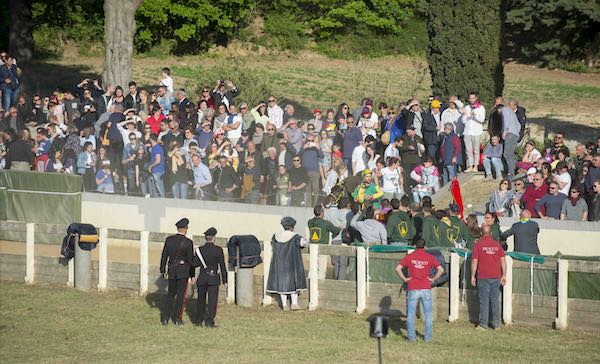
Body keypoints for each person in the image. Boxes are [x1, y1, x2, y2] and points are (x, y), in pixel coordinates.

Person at [396, 238, 444, 342]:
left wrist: (404, 279)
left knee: (411, 314)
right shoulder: (429, 257)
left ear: (414, 246)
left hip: (413, 287)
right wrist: (433, 279)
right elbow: (441, 269)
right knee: (428, 314)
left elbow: (398, 268)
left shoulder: (410, 256)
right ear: (425, 246)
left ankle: (411, 338)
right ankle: (428, 338)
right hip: (426, 288)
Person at [266, 217, 308, 311]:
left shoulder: (276, 236)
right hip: (291, 264)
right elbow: (304, 243)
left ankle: (284, 305)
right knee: (293, 284)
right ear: (292, 227)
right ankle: (294, 304)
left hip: (279, 264)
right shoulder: (295, 237)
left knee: (281, 285)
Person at [470, 225, 507, 331]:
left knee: (484, 300)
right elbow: (503, 260)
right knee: (495, 300)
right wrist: (504, 275)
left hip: (483, 276)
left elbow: (474, 261)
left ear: (481, 233)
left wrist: (473, 275)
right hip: (496, 276)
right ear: (491, 233)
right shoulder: (497, 245)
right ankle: (496, 324)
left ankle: (483, 324)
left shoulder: (478, 245)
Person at [159, 218, 195, 325]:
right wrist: (191, 274)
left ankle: (165, 317)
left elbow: (164, 256)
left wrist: (162, 269)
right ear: (185, 229)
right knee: (180, 296)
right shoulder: (188, 242)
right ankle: (177, 319)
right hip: (183, 271)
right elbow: (190, 260)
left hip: (172, 270)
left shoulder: (169, 240)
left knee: (170, 294)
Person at [191, 227, 226, 328]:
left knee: (201, 300)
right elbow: (222, 265)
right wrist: (225, 280)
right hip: (213, 279)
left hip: (202, 278)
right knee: (212, 301)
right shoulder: (218, 250)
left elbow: (194, 264)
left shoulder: (199, 250)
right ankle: (209, 321)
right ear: (214, 238)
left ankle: (198, 321)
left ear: (205, 238)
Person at [308, 205, 342, 278]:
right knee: (322, 268)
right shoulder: (326, 223)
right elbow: (336, 231)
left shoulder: (310, 222)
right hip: (322, 247)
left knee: (312, 267)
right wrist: (340, 228)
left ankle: (310, 283)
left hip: (312, 246)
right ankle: (320, 284)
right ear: (321, 213)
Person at [463, 92, 486, 172]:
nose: (471, 100)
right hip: (467, 131)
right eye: (470, 98)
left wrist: (475, 114)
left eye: (473, 98)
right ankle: (470, 165)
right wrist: (465, 115)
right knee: (468, 150)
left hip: (476, 132)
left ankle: (475, 166)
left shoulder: (481, 108)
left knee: (476, 150)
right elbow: (463, 121)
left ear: (476, 98)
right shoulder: (467, 107)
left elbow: (482, 120)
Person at [500, 104, 520, 178]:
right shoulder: (512, 113)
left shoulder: (505, 110)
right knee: (511, 154)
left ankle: (511, 173)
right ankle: (515, 169)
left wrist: (505, 130)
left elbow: (506, 120)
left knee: (507, 154)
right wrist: (516, 132)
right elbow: (519, 125)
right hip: (515, 135)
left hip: (509, 134)